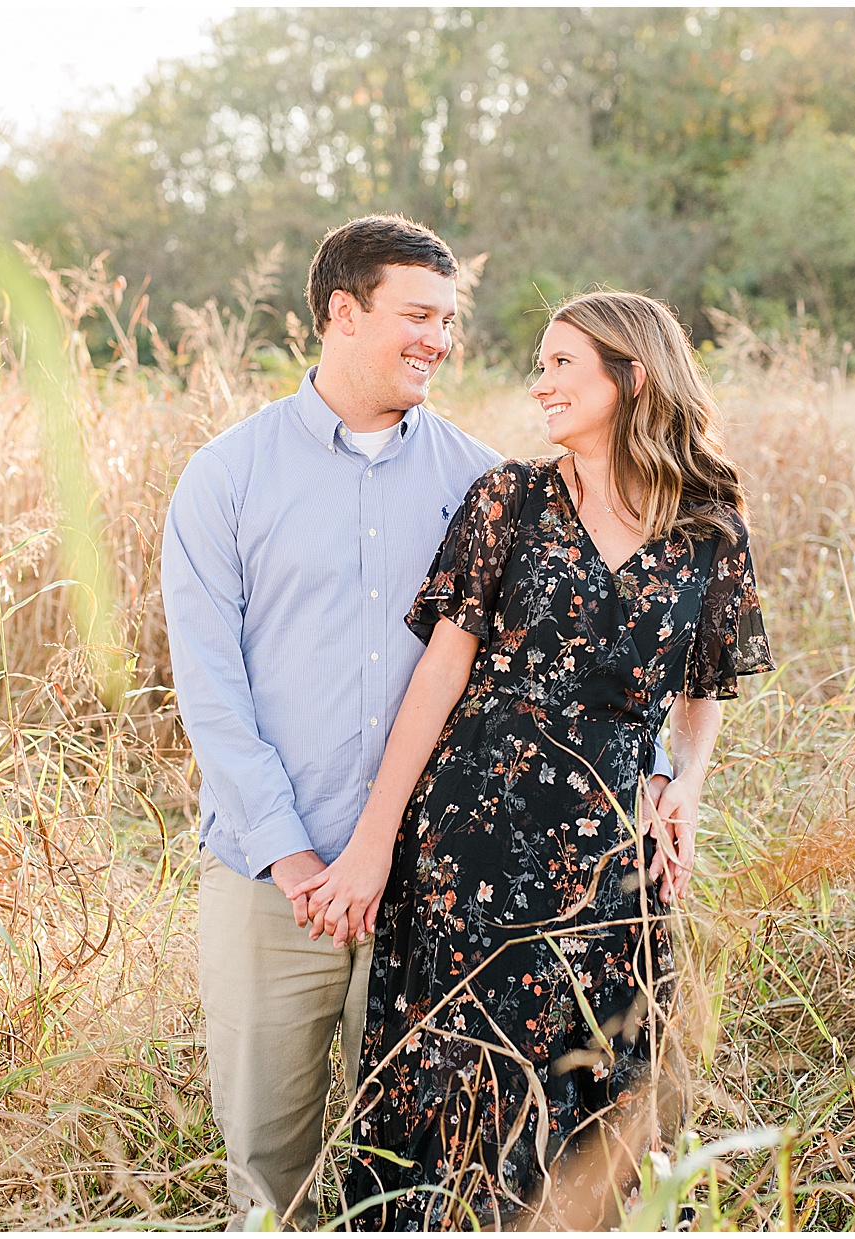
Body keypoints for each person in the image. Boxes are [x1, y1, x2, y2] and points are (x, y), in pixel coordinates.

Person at [160, 222, 674, 1228]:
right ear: (341, 313)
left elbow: (594, 651)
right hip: (278, 884)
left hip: (443, 890)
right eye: (418, 316)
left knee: (434, 1161)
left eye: (449, 319)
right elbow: (210, 691)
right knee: (271, 1161)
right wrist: (291, 858)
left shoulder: (491, 486)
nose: (440, 338)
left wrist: (657, 776)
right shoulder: (226, 477)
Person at [295, 290, 775, 1229]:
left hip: (609, 854)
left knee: (592, 1086)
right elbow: (436, 681)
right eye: (540, 363)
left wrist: (684, 785)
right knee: (454, 1085)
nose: (538, 382)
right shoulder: (508, 500)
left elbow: (703, 684)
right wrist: (375, 839)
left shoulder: (709, 527)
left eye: (561, 364)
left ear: (630, 376)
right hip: (473, 840)